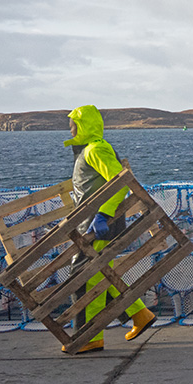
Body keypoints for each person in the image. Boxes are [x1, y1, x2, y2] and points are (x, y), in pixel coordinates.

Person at [63, 104, 156, 354]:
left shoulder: (96, 149)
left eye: (73, 124)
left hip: (99, 224)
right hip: (92, 223)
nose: (70, 128)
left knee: (85, 277)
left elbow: (120, 182)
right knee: (98, 272)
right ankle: (139, 314)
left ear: (84, 125)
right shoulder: (87, 150)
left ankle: (90, 336)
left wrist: (103, 215)